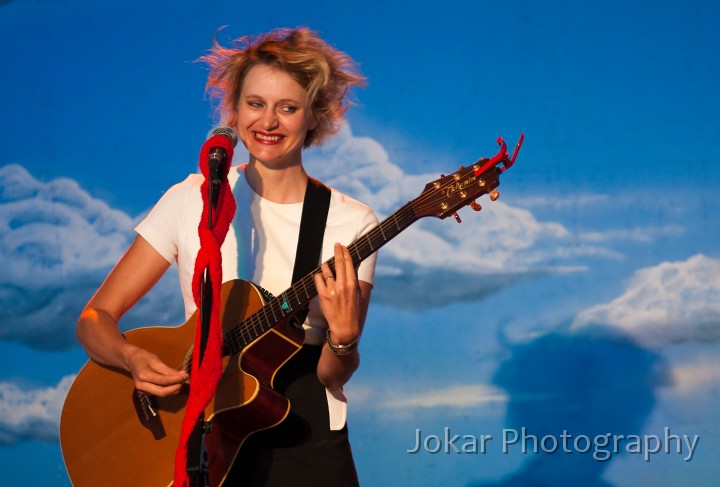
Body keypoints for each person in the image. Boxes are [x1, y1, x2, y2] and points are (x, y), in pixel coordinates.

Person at [76, 27, 377, 486]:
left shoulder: (350, 223)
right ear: (233, 111)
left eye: (288, 107)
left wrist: (345, 339)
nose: (268, 122)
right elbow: (94, 318)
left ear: (314, 116)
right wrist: (132, 359)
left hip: (304, 442)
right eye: (255, 104)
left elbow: (333, 374)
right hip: (203, 438)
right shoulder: (192, 198)